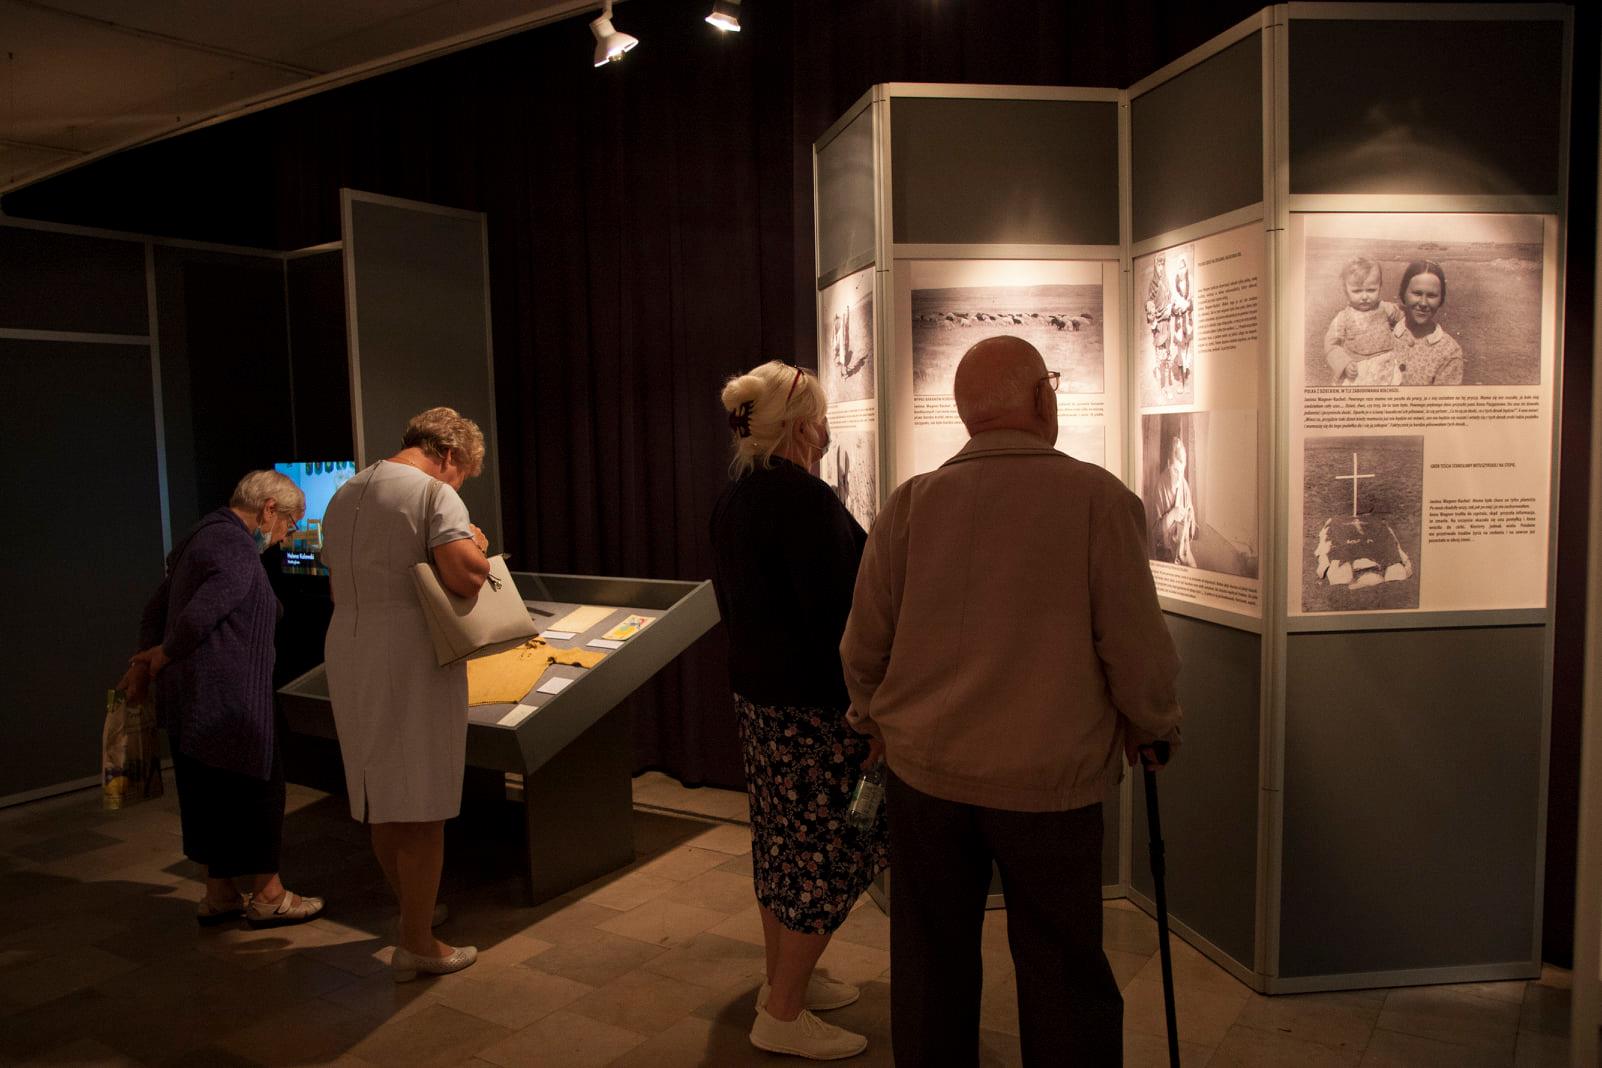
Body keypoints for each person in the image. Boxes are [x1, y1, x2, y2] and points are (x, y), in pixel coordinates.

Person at [840, 336, 1182, 1066]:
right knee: (1062, 972)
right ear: (1041, 398)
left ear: (967, 414)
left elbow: (862, 646)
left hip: (925, 778)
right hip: (1048, 783)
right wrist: (1153, 724)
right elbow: (1135, 645)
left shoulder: (910, 504)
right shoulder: (1097, 499)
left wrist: (872, 720)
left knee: (930, 963)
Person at [710, 361, 889, 1061]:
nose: (827, 426)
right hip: (816, 712)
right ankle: (783, 1012)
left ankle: (781, 983)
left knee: (782, 848)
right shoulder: (804, 501)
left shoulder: (738, 495)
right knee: (829, 854)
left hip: (762, 705)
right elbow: (836, 621)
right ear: (800, 426)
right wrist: (867, 712)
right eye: (820, 415)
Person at [322, 406, 492, 982]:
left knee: (381, 794)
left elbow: (338, 582)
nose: (458, 484)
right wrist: (476, 542)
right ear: (449, 455)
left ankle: (413, 914)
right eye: (462, 473)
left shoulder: (346, 492)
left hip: (349, 647)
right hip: (411, 649)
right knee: (423, 801)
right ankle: (418, 943)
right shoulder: (432, 493)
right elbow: (466, 576)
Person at [127, 470, 324, 928]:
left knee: (207, 795)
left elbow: (156, 606)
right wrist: (163, 654)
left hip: (194, 699)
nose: (286, 536)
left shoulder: (200, 535)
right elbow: (206, 610)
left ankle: (220, 894)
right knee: (259, 792)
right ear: (269, 510)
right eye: (290, 524)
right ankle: (270, 896)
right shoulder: (234, 543)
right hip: (231, 699)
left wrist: (146, 660)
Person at [1323, 257, 1404, 385]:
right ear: (1346, 290)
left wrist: (1401, 333)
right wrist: (1344, 363)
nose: (1365, 296)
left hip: (1387, 368)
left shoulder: (1385, 308)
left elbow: (1405, 320)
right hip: (1359, 372)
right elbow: (1331, 344)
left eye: (1371, 290)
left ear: (1380, 286)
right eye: (1357, 291)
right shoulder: (1343, 318)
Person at [1389, 259, 1464, 386]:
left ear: (1441, 299)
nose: (1423, 303)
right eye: (1417, 293)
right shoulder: (1385, 328)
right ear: (1403, 294)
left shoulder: (1449, 352)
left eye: (1431, 295)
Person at [1152, 436, 1199, 568]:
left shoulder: (1184, 486)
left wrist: (1189, 519)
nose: (1179, 477)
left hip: (1182, 549)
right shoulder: (1159, 487)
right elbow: (1155, 534)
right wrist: (1172, 515)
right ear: (1168, 464)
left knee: (1194, 568)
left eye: (1182, 471)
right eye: (1175, 470)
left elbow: (1191, 530)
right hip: (1164, 552)